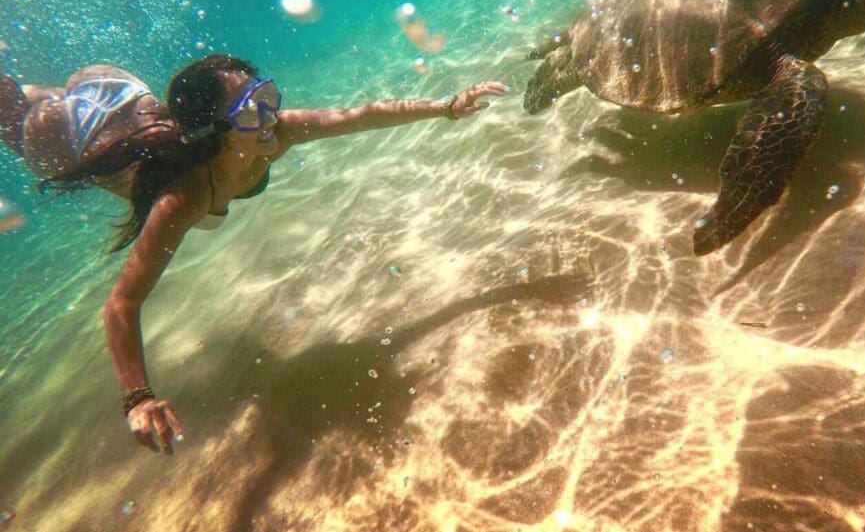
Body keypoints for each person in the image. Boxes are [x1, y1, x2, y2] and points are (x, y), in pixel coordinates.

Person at [0, 54, 508, 455]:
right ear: (213, 130)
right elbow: (121, 304)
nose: (271, 115)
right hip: (77, 131)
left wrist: (446, 106)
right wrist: (138, 397)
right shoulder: (184, 197)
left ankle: (38, 89)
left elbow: (359, 116)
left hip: (120, 91)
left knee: (48, 95)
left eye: (266, 96)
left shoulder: (276, 132)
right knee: (20, 121)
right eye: (251, 108)